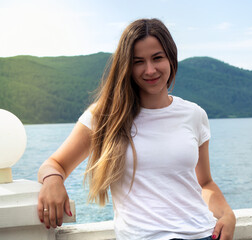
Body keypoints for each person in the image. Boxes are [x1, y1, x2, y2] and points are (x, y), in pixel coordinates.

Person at [37, 18, 236, 240]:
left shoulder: (194, 115)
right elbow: (54, 164)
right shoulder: (105, 116)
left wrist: (227, 214)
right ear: (127, 67)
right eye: (138, 61)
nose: (149, 70)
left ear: (171, 58)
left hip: (201, 234)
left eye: (157, 58)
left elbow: (205, 183)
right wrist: (53, 181)